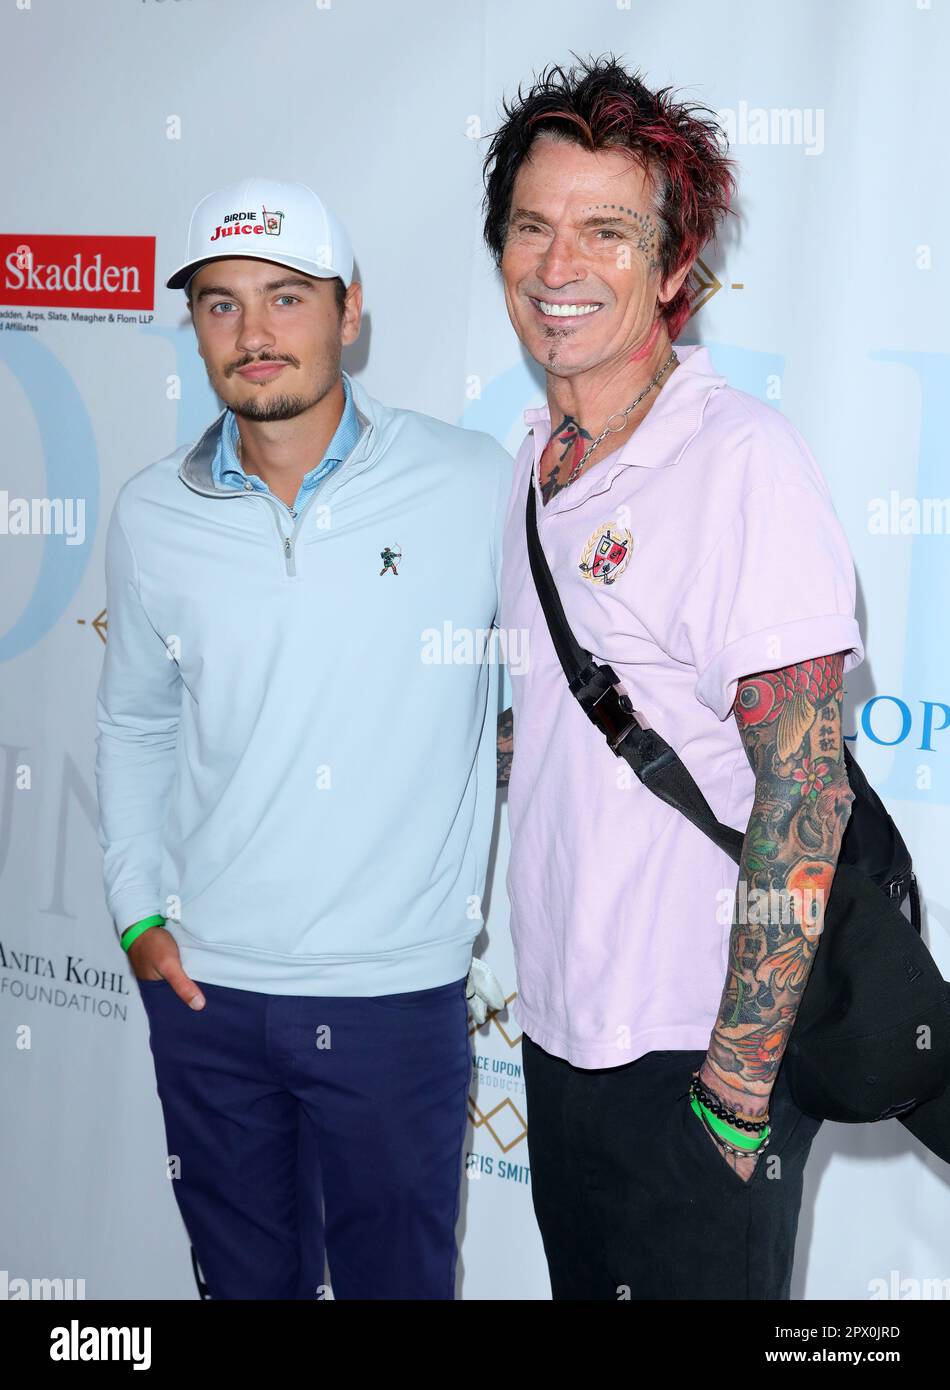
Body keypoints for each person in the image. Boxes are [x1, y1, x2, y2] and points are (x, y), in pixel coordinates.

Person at [484, 58, 864, 1299]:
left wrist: (736, 1091)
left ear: (672, 269)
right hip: (559, 1034)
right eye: (532, 226)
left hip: (692, 1063)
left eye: (604, 230)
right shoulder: (535, 455)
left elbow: (803, 800)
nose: (557, 266)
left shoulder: (741, 460)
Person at [95, 176, 510, 1300]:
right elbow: (135, 718)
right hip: (205, 997)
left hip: (391, 998)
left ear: (349, 310)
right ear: (193, 326)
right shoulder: (150, 513)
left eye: (285, 297)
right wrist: (136, 907)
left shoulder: (471, 484)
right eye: (221, 304)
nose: (253, 332)